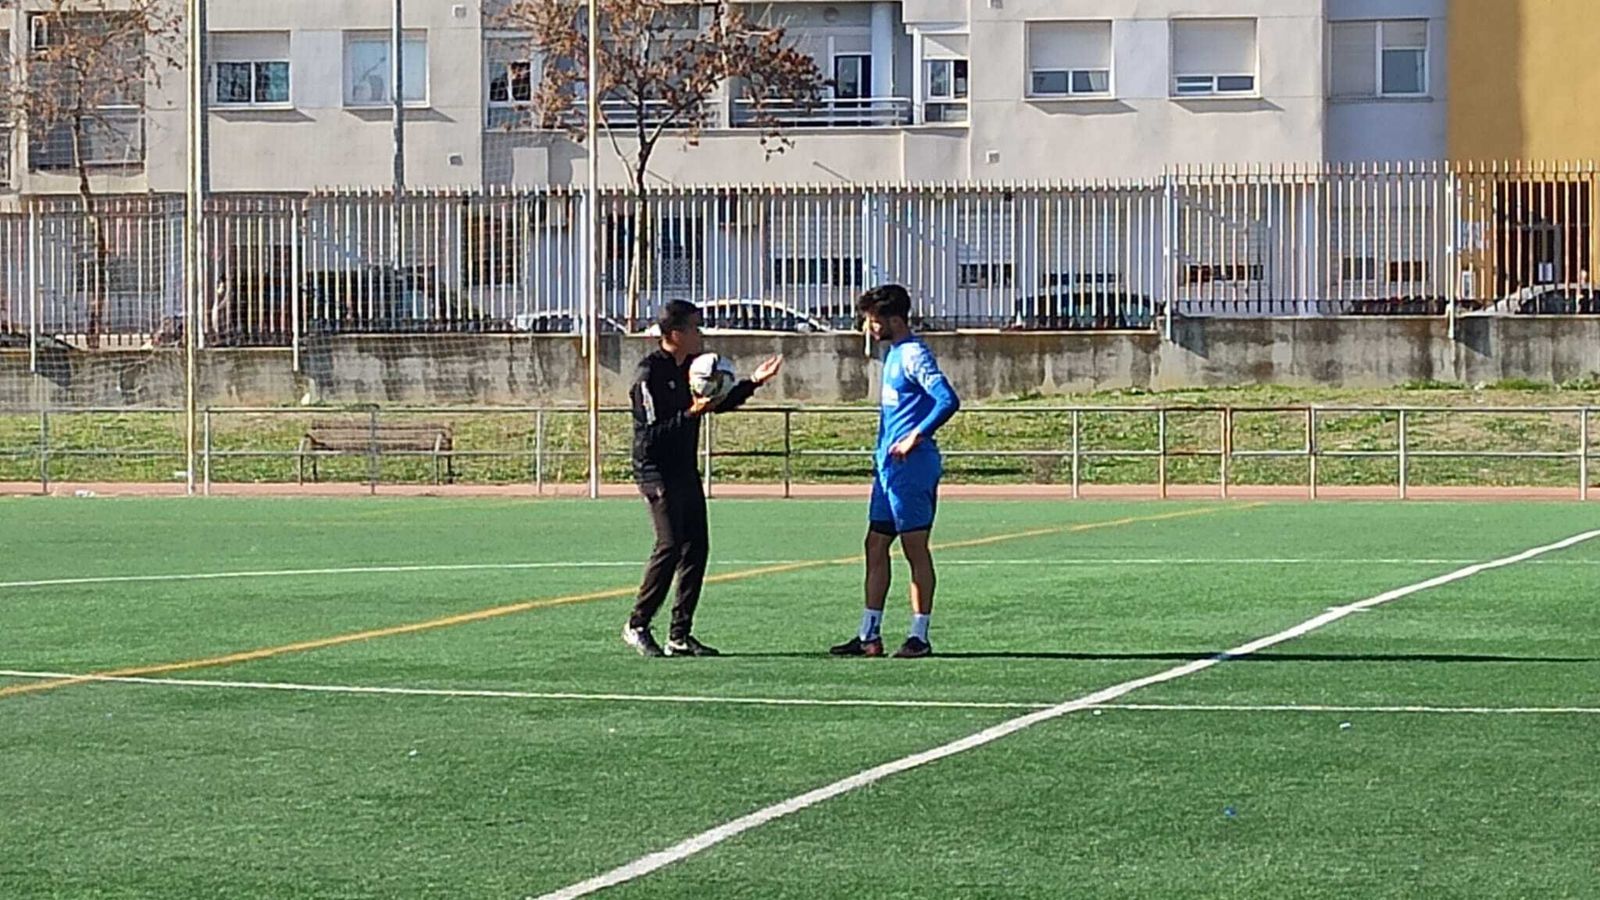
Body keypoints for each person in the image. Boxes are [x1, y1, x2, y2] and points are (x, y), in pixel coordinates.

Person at [623, 299, 783, 657]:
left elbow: (715, 403)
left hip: (683, 469)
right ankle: (637, 624)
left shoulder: (691, 368)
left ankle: (679, 635)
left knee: (696, 546)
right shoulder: (649, 374)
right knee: (669, 544)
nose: (701, 334)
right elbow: (651, 434)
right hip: (655, 470)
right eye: (695, 327)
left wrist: (753, 382)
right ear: (675, 333)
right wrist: (691, 411)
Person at [831, 284, 960, 659]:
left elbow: (948, 400)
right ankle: (869, 635)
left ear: (893, 320)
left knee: (914, 548)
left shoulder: (914, 355)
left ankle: (919, 636)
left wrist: (915, 437)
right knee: (875, 544)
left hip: (912, 468)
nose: (868, 328)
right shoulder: (892, 355)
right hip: (888, 469)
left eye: (872, 321)